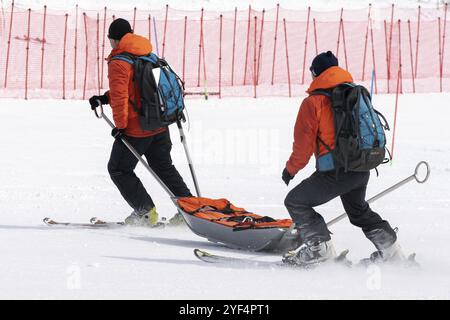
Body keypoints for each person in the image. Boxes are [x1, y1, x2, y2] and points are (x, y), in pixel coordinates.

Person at [282, 51, 404, 266]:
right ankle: (391, 251)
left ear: (316, 73)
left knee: (295, 201)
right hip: (360, 166)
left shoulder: (314, 102)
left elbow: (303, 146)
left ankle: (319, 248)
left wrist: (290, 170)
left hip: (335, 172)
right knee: (358, 211)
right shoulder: (354, 93)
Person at [89, 18, 191, 226]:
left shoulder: (118, 61)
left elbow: (120, 97)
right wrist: (103, 98)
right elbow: (133, 90)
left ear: (114, 39)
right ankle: (188, 211)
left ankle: (145, 212)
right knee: (164, 167)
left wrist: (120, 127)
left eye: (110, 40)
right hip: (160, 124)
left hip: (137, 128)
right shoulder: (147, 54)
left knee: (118, 169)